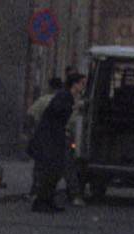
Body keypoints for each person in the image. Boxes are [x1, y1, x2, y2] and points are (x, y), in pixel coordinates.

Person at [28, 72, 85, 213]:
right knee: (51, 170)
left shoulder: (67, 96)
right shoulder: (64, 96)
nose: (83, 87)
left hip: (55, 136)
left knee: (55, 170)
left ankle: (47, 200)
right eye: (81, 83)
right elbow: (56, 112)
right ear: (75, 84)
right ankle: (41, 201)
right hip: (50, 138)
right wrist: (74, 107)